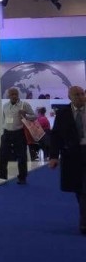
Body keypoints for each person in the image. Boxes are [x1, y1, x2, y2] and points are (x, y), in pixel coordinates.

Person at [48, 85, 86, 233]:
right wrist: (53, 156)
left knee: (84, 189)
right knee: (78, 188)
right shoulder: (63, 113)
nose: (81, 97)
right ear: (70, 97)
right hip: (72, 154)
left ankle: (84, 223)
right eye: (77, 95)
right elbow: (56, 136)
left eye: (82, 94)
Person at [0, 87, 35, 184]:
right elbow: (5, 118)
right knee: (2, 153)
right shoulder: (5, 105)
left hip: (19, 132)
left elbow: (34, 116)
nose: (14, 96)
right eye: (12, 94)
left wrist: (25, 116)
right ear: (8, 95)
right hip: (7, 132)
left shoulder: (24, 105)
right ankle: (2, 173)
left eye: (16, 94)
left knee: (21, 155)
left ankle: (22, 177)